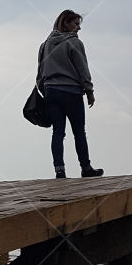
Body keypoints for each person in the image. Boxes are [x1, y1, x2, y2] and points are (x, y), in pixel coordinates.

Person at [36, 10, 103, 179]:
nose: (78, 28)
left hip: (51, 91)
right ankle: (86, 168)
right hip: (71, 91)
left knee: (58, 132)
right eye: (76, 24)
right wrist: (89, 91)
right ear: (66, 23)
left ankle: (60, 170)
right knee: (79, 132)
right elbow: (82, 69)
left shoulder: (45, 45)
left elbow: (40, 73)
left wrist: (45, 89)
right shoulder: (74, 43)